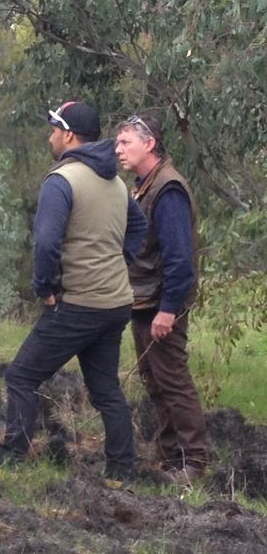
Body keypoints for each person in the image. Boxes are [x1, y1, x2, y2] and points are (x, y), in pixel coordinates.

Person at [0, 101, 147, 484]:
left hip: (78, 303)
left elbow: (45, 244)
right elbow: (140, 228)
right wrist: (115, 261)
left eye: (54, 130)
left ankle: (11, 460)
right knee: (106, 388)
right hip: (115, 303)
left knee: (22, 377)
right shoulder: (115, 182)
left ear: (69, 135)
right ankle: (120, 472)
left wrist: (46, 288)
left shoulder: (62, 180)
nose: (50, 137)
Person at [115, 114, 208, 484]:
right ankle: (172, 460)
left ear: (149, 143)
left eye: (125, 142)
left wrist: (168, 309)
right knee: (154, 380)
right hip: (144, 302)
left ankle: (194, 464)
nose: (118, 149)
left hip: (160, 304)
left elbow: (179, 259)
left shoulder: (167, 189)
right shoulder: (144, 186)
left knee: (173, 381)